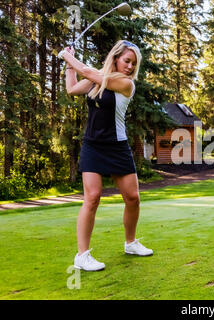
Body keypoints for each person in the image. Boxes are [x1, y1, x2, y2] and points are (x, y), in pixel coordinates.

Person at [59, 40, 153, 272]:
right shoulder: (97, 79)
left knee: (132, 197)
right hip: (93, 145)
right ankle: (82, 256)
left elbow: (88, 71)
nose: (130, 66)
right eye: (127, 61)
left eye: (134, 63)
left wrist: (67, 56)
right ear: (116, 58)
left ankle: (130, 243)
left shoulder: (125, 83)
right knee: (92, 197)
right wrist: (70, 66)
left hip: (117, 146)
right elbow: (72, 89)